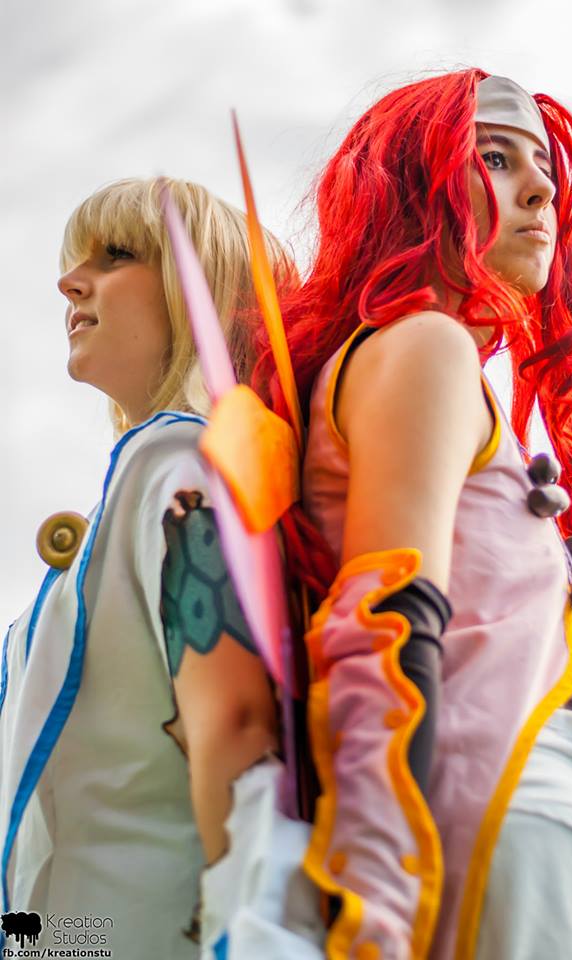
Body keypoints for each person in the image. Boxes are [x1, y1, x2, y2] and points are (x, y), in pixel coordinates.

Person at [252, 71, 572, 959]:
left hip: (536, 838)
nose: (540, 192)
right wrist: (379, 911)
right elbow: (387, 626)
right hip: (516, 841)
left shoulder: (423, 358)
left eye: (544, 170)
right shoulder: (424, 344)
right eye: (494, 158)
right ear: (407, 185)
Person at [0, 177, 323, 960]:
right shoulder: (155, 479)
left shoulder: (181, 464)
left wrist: (258, 940)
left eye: (116, 255)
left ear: (212, 298)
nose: (70, 282)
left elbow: (235, 728)